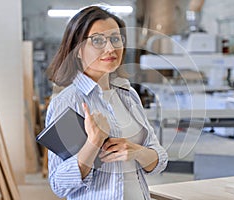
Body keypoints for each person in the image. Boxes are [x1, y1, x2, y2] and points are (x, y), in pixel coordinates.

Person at [45, 5, 168, 200]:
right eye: (98, 40)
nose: (110, 48)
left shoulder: (128, 95)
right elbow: (59, 184)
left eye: (115, 39)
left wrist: (136, 152)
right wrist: (93, 143)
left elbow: (159, 160)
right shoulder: (68, 102)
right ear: (77, 49)